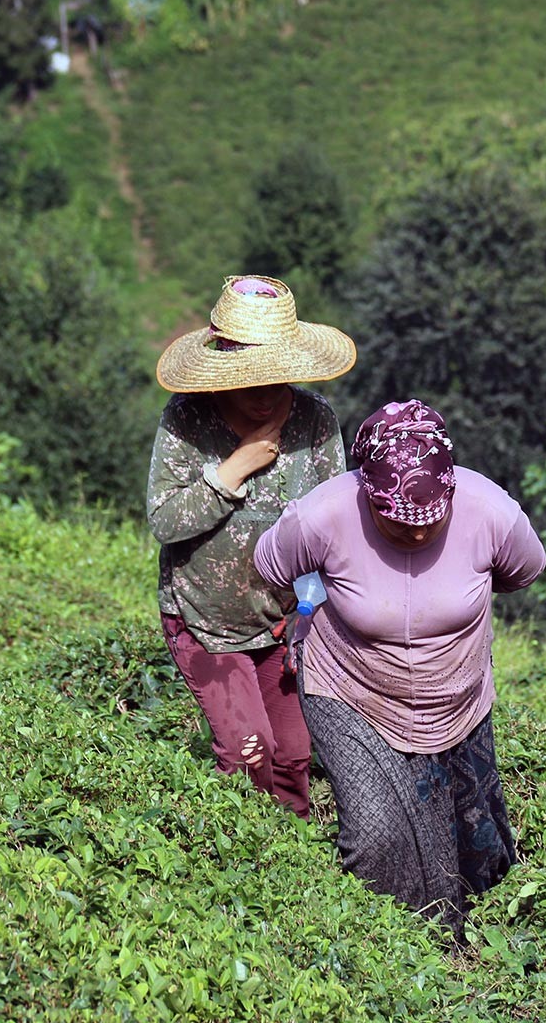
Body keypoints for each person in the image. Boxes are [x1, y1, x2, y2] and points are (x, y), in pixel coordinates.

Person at [254, 399, 545, 932]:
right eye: (397, 519)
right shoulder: (323, 515)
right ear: (367, 494)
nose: (415, 533)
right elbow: (272, 563)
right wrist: (313, 603)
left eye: (429, 520)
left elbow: (524, 569)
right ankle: (384, 948)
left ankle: (472, 945)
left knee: (472, 832)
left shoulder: (492, 512)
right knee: (377, 834)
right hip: (348, 689)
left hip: (455, 697)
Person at [147, 274, 357, 817]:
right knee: (248, 752)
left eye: (276, 378)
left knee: (292, 756)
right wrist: (233, 468)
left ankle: (286, 869)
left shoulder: (315, 421)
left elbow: (334, 527)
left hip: (285, 620)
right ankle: (229, 865)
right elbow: (165, 522)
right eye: (250, 380)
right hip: (203, 620)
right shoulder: (187, 420)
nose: (265, 394)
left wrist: (313, 613)